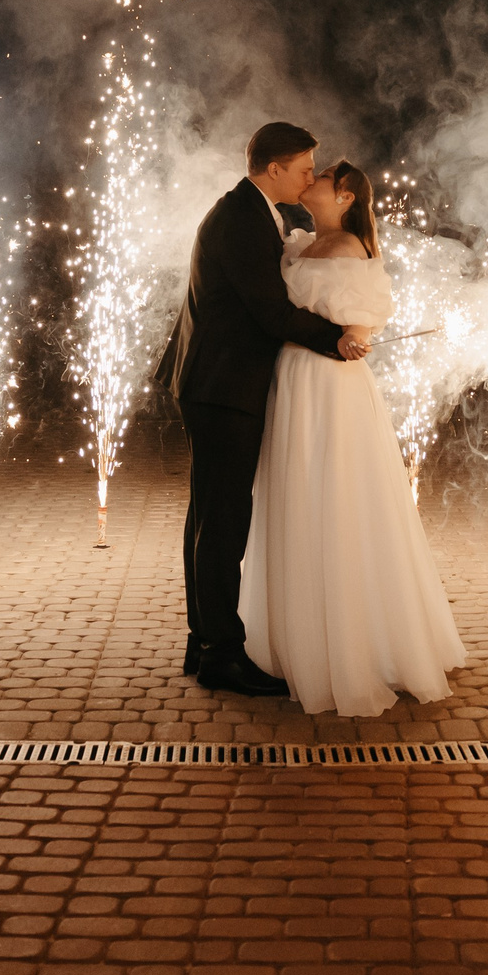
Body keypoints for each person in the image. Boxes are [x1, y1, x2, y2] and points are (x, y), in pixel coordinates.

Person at [239, 159, 466, 716]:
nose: (309, 180)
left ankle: (348, 646)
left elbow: (364, 319)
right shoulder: (301, 244)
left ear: (343, 196)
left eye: (320, 176)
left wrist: (354, 337)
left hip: (328, 385)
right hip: (291, 379)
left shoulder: (349, 251)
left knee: (334, 494)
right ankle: (295, 641)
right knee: (296, 496)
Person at [156, 122, 368, 699]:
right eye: (303, 167)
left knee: (208, 515)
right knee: (223, 520)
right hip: (225, 385)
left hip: (212, 382)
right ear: (273, 168)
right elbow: (271, 312)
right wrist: (337, 339)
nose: (309, 177)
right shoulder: (242, 218)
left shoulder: (246, 211)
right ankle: (222, 653)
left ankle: (204, 641)